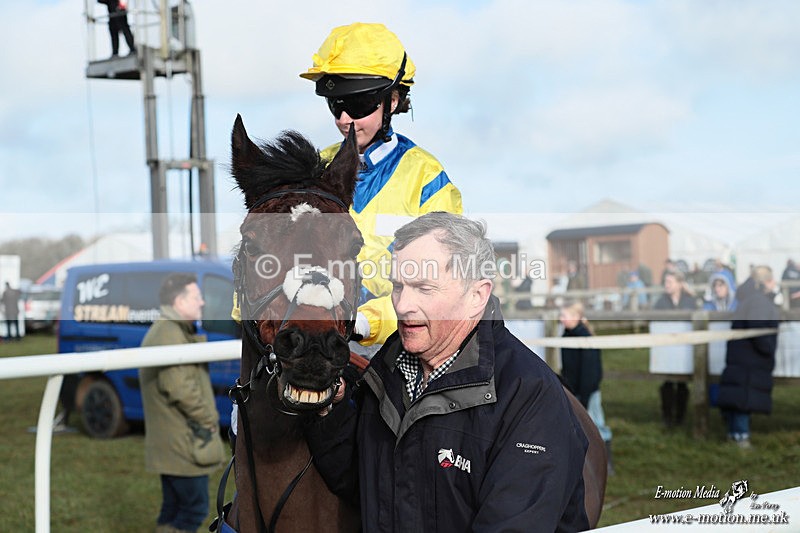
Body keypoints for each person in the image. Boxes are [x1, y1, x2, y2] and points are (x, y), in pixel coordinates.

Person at [305, 212, 589, 532]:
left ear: (477, 296)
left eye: (424, 288)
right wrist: (331, 410)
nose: (402, 304)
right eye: (398, 286)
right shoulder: (386, 371)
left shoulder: (529, 396)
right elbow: (364, 484)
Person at [300, 22, 463, 352]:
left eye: (358, 105)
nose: (344, 119)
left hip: (402, 345)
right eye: (336, 105)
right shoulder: (316, 168)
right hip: (319, 340)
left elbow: (436, 283)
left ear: (393, 100)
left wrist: (364, 322)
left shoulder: (426, 178)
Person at [139, 273, 225, 533]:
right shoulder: (169, 333)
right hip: (181, 442)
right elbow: (179, 388)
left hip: (174, 440)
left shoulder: (169, 329)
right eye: (196, 297)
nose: (202, 302)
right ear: (179, 301)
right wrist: (208, 420)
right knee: (193, 509)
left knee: (174, 508)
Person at [717, 266, 780, 449]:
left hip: (742, 357)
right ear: (766, 282)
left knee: (738, 398)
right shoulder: (759, 301)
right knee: (743, 399)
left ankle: (733, 435)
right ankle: (741, 437)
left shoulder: (749, 298)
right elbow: (758, 329)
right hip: (750, 359)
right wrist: (768, 348)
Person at [559, 302, 614, 475]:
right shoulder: (565, 336)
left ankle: (606, 462)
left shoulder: (586, 338)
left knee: (597, 424)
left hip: (589, 392)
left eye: (564, 315)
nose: (561, 319)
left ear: (576, 317)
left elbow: (591, 371)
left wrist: (585, 395)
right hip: (574, 391)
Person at [653, 270, 697, 428]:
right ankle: (667, 416)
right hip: (667, 347)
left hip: (684, 347)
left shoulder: (689, 301)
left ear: (679, 284)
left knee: (682, 383)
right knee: (667, 382)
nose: (667, 285)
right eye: (665, 282)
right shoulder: (660, 302)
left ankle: (680, 416)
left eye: (670, 282)